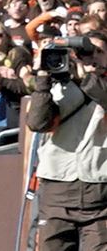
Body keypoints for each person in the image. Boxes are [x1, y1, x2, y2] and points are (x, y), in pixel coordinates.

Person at [25, 34, 107, 251]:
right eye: (87, 53)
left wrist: (86, 78)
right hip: (58, 189)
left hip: (99, 191)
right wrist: (42, 78)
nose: (93, 58)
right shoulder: (60, 86)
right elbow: (37, 123)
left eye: (99, 52)